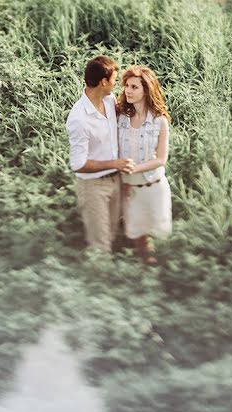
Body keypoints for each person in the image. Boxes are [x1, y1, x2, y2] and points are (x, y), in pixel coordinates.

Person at [65, 56, 134, 252]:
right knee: (100, 245)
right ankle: (97, 276)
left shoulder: (109, 100)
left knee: (111, 236)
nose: (116, 83)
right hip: (93, 186)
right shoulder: (79, 119)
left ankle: (106, 278)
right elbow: (79, 164)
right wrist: (115, 164)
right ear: (103, 82)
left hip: (115, 181)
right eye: (114, 79)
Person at [115, 65, 172, 265]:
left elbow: (161, 159)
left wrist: (135, 168)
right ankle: (146, 277)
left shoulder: (160, 121)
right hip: (131, 189)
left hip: (154, 187)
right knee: (140, 240)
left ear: (146, 90)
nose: (127, 91)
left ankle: (167, 277)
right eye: (126, 86)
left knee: (162, 237)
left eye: (134, 87)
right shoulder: (120, 118)